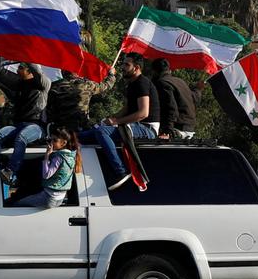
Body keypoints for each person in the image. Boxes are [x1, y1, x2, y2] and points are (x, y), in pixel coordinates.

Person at [85, 52, 160, 190]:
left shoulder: (142, 83)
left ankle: (121, 172)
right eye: (123, 64)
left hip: (147, 128)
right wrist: (110, 119)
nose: (122, 67)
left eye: (126, 64)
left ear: (136, 68)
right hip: (133, 125)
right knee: (83, 135)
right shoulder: (132, 84)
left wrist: (116, 122)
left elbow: (143, 113)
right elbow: (126, 109)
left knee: (102, 132)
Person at [0, 60, 51, 184]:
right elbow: (2, 76)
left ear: (29, 71)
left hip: (36, 126)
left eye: (21, 67)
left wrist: (27, 56)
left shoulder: (43, 84)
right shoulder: (20, 85)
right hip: (19, 125)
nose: (17, 70)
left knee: (22, 137)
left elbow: (37, 71)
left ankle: (11, 171)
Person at [17, 127, 77, 208]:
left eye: (55, 140)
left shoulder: (58, 157)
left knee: (18, 204)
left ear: (63, 143)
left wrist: (47, 155)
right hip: (60, 198)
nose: (51, 143)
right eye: (51, 140)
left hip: (49, 198)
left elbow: (46, 175)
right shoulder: (71, 157)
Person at [148, 58, 196, 140]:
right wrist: (198, 90)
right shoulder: (180, 81)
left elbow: (170, 108)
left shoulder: (162, 83)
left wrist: (168, 131)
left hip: (176, 129)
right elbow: (194, 99)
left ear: (154, 71)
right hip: (189, 128)